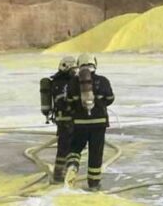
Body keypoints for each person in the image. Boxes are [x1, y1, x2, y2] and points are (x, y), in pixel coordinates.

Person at [64, 53, 115, 191]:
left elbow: (68, 102)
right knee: (95, 153)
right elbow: (110, 98)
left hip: (80, 123)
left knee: (75, 147)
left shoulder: (73, 82)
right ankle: (93, 184)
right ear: (94, 64)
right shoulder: (103, 81)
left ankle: (73, 166)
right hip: (99, 123)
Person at [44, 56, 78, 184]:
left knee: (64, 147)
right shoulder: (63, 83)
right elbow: (64, 101)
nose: (75, 72)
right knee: (66, 147)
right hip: (67, 119)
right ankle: (60, 175)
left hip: (62, 119)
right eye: (73, 69)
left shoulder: (58, 81)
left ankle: (60, 173)